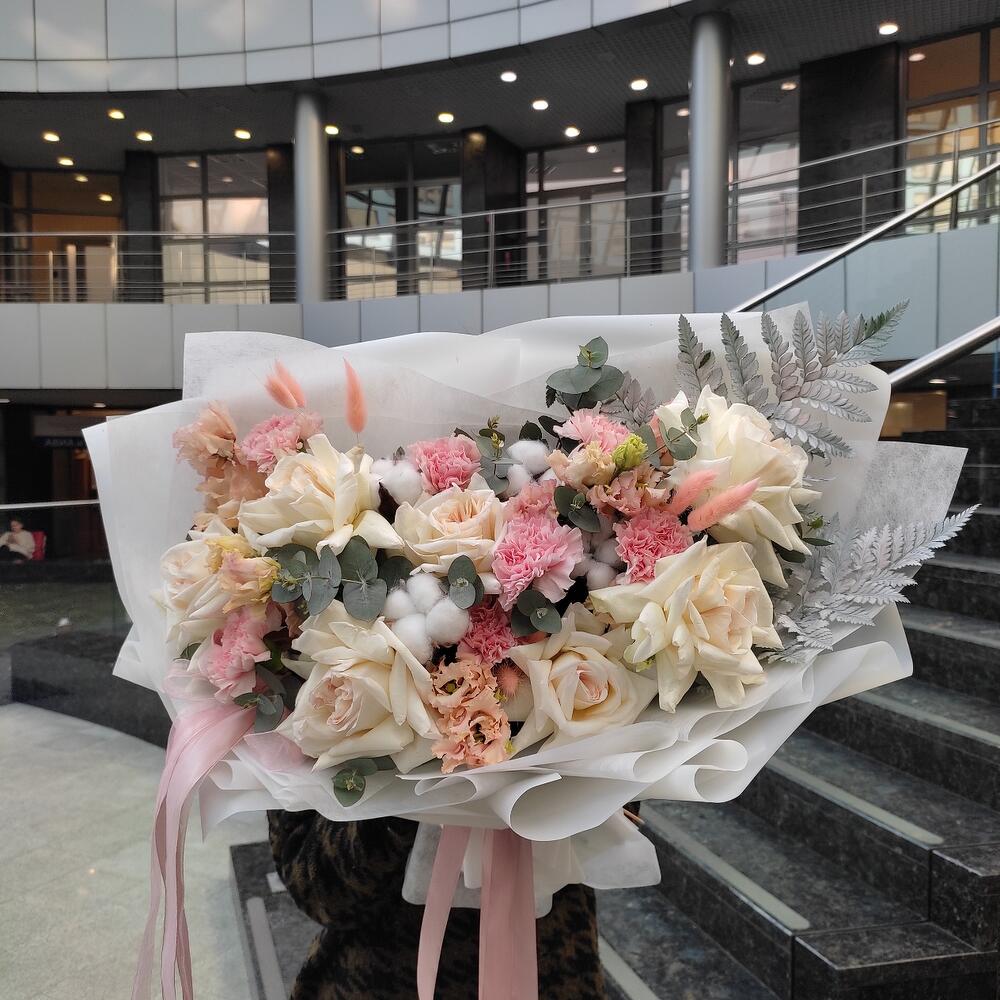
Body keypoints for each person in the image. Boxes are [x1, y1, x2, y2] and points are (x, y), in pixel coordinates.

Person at [267, 811, 607, 1000]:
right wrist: (402, 797)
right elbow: (316, 889)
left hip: (556, 966)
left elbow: (620, 820)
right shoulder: (302, 706)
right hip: (378, 976)